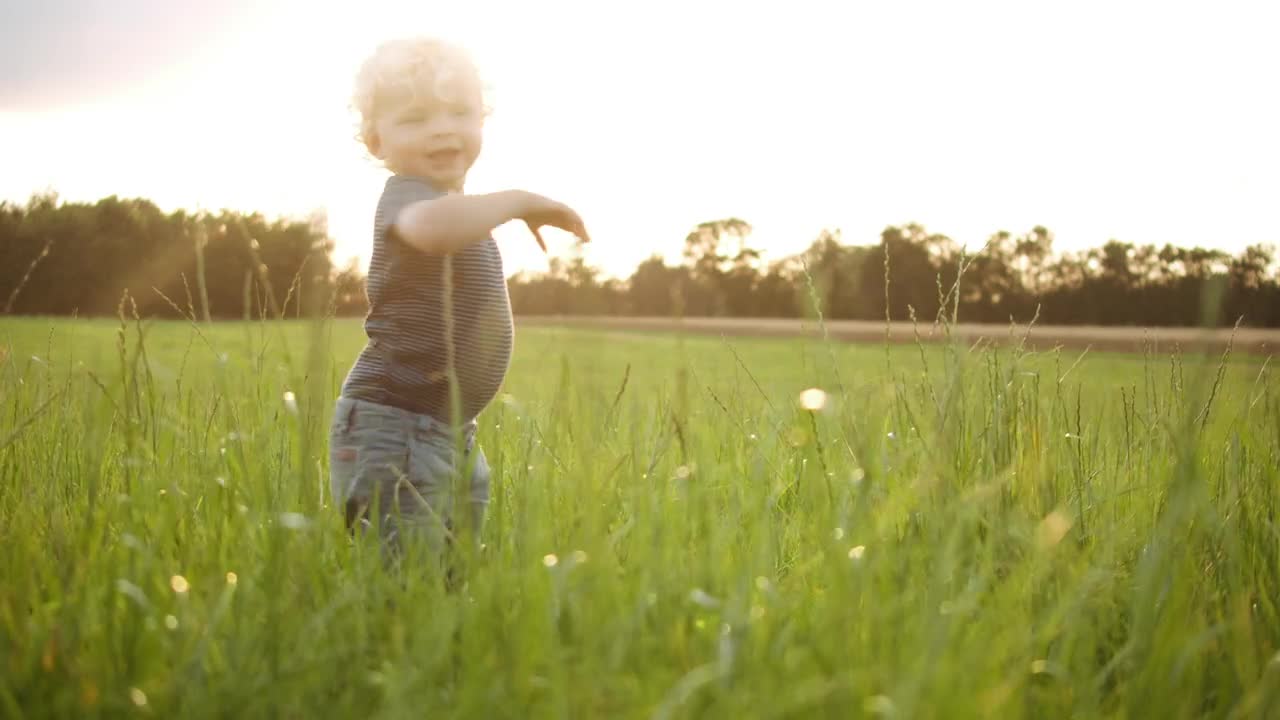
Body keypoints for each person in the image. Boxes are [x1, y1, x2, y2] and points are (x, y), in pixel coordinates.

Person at [328, 36, 590, 571]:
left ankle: (446, 643)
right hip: (393, 424)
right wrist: (517, 201)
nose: (443, 127)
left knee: (453, 571)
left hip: (448, 431)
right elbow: (429, 231)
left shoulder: (454, 209)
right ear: (377, 141)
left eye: (459, 112)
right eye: (417, 117)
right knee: (404, 579)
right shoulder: (409, 198)